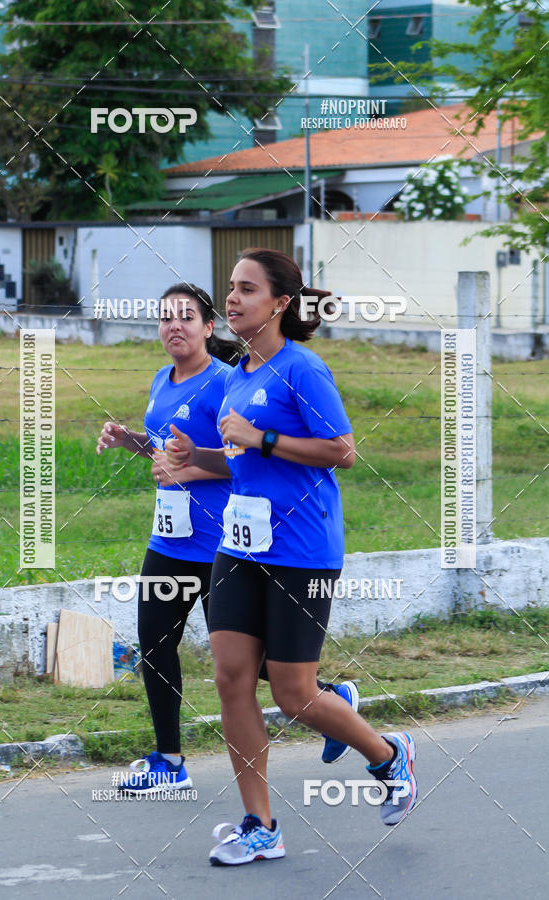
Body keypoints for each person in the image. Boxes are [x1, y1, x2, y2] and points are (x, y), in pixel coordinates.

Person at [165, 249, 418, 864]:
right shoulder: (235, 374)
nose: (230, 300)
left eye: (246, 289)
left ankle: (388, 756)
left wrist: (263, 438)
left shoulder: (303, 369)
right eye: (229, 288)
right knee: (228, 678)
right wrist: (192, 458)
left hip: (301, 549)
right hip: (239, 546)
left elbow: (342, 451)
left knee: (294, 695)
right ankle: (260, 824)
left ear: (279, 303)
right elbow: (240, 458)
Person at [96, 283, 240, 793]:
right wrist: (129, 440)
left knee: (250, 662)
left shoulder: (226, 382)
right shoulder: (162, 377)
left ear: (208, 327)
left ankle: (330, 695)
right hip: (169, 543)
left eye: (185, 316)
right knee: (155, 646)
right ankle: (169, 762)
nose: (173, 325)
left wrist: (191, 474)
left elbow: (244, 459)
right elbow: (166, 452)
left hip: (221, 546)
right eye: (164, 318)